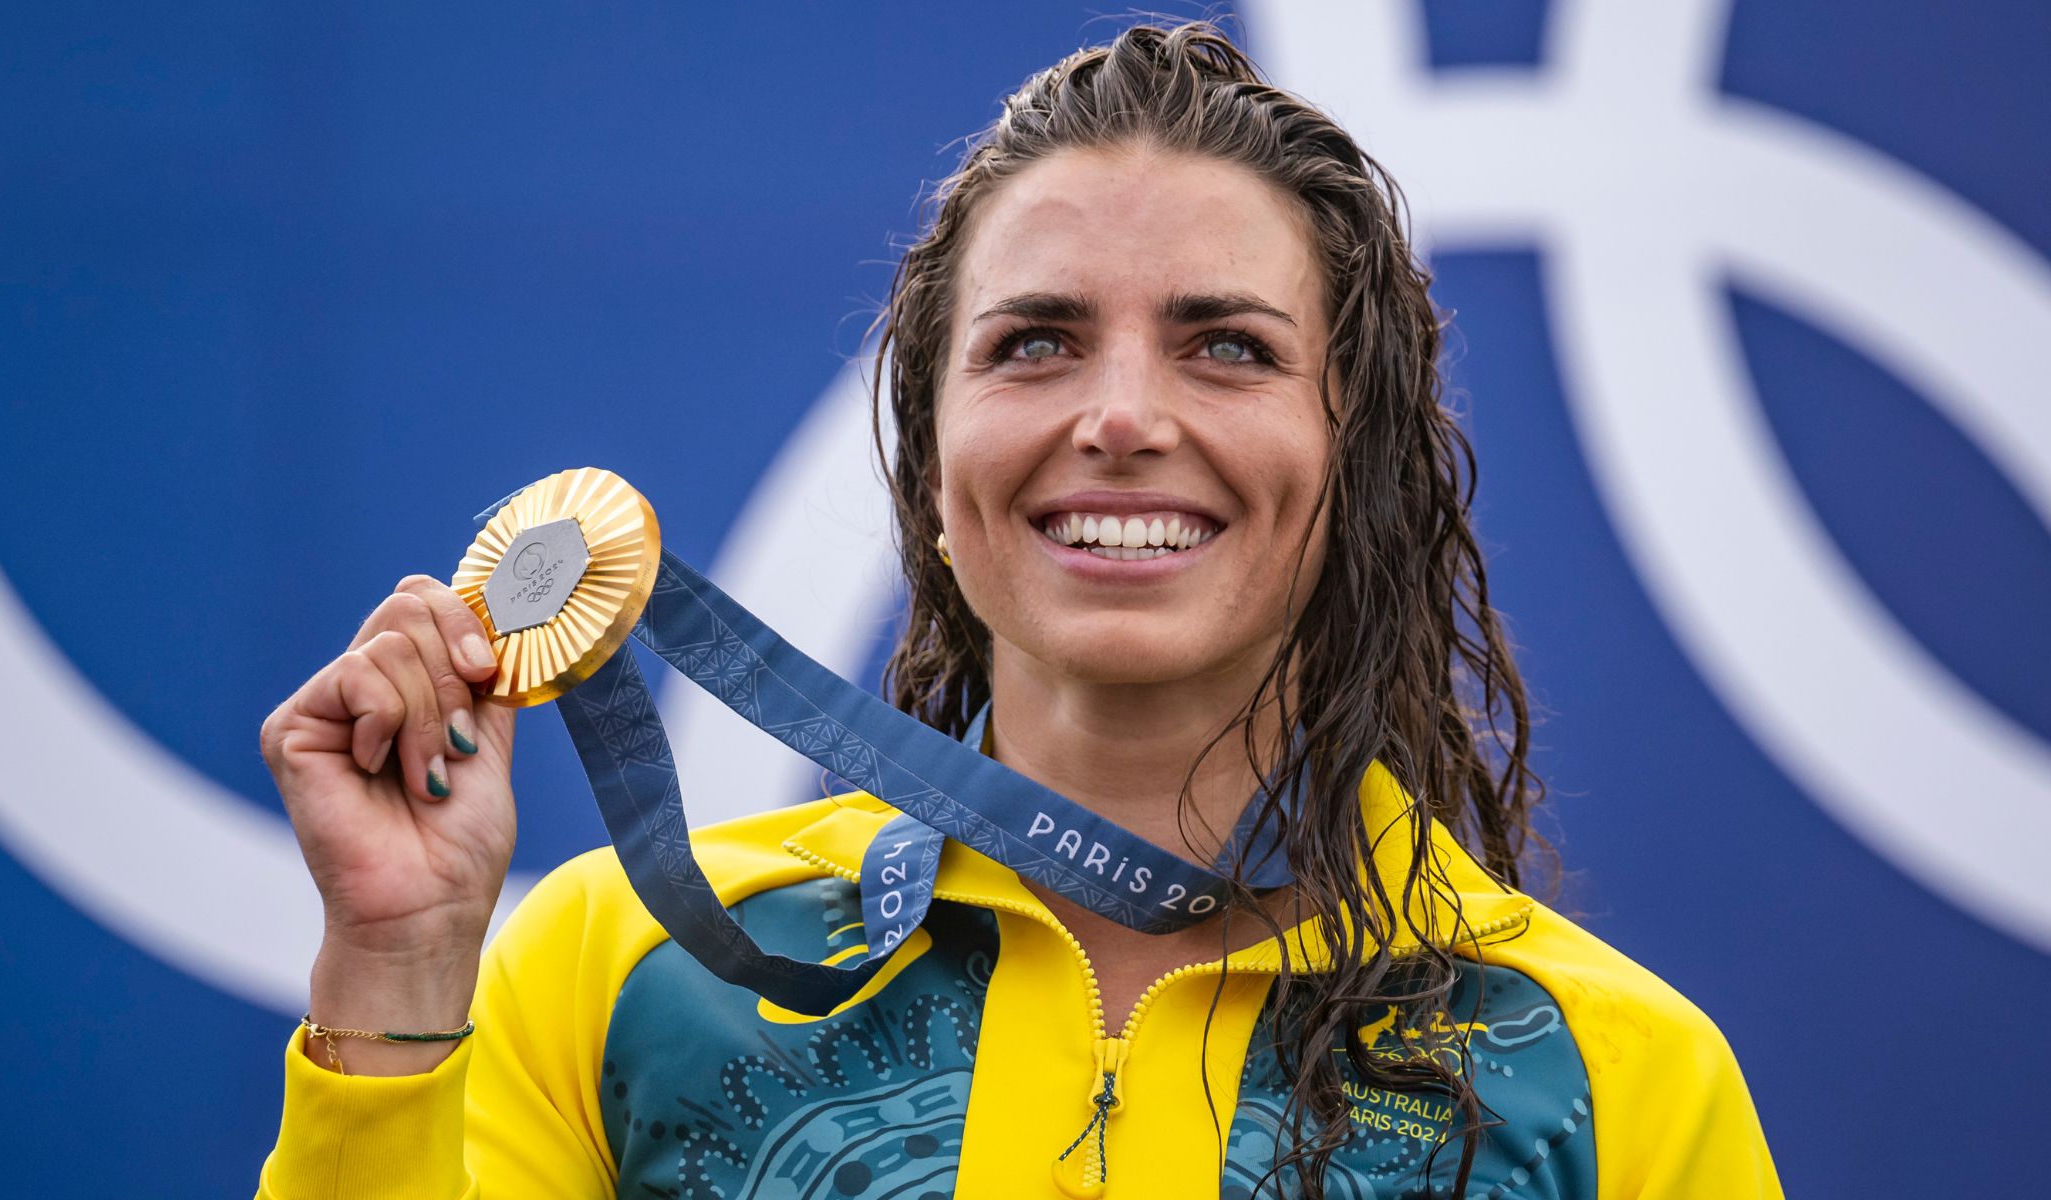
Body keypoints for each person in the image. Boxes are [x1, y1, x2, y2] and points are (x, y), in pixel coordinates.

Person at [254, 20, 1781, 1199]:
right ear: (932, 469)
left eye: (1228, 349)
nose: (1120, 416)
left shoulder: (1602, 1072)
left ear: (1355, 460)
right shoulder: (621, 972)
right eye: (1036, 343)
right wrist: (394, 967)